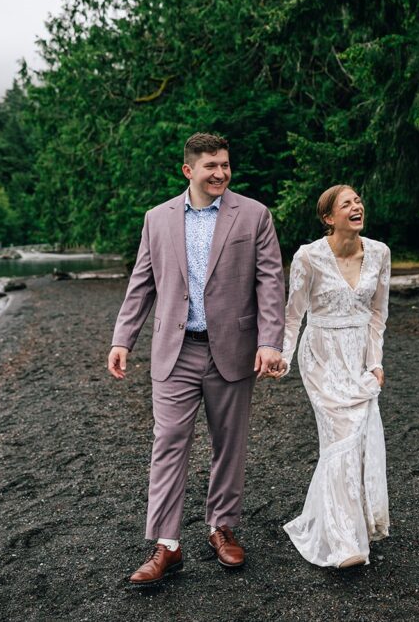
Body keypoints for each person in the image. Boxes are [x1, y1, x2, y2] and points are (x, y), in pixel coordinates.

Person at [107, 133, 286, 585]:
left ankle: (221, 527)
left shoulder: (255, 215)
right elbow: (142, 282)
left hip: (234, 350)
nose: (221, 173)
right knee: (168, 442)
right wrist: (123, 338)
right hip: (175, 349)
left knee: (230, 444)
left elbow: (270, 282)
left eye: (225, 165)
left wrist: (270, 341)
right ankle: (166, 544)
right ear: (189, 170)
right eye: (211, 166)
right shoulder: (157, 218)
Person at [277, 184, 391, 568]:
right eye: (347, 204)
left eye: (359, 200)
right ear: (329, 217)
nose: (357, 206)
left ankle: (352, 522)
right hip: (322, 357)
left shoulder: (380, 253)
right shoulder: (308, 257)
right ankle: (345, 543)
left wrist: (375, 362)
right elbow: (293, 314)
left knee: (358, 438)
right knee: (340, 440)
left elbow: (378, 314)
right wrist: (284, 357)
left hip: (359, 356)